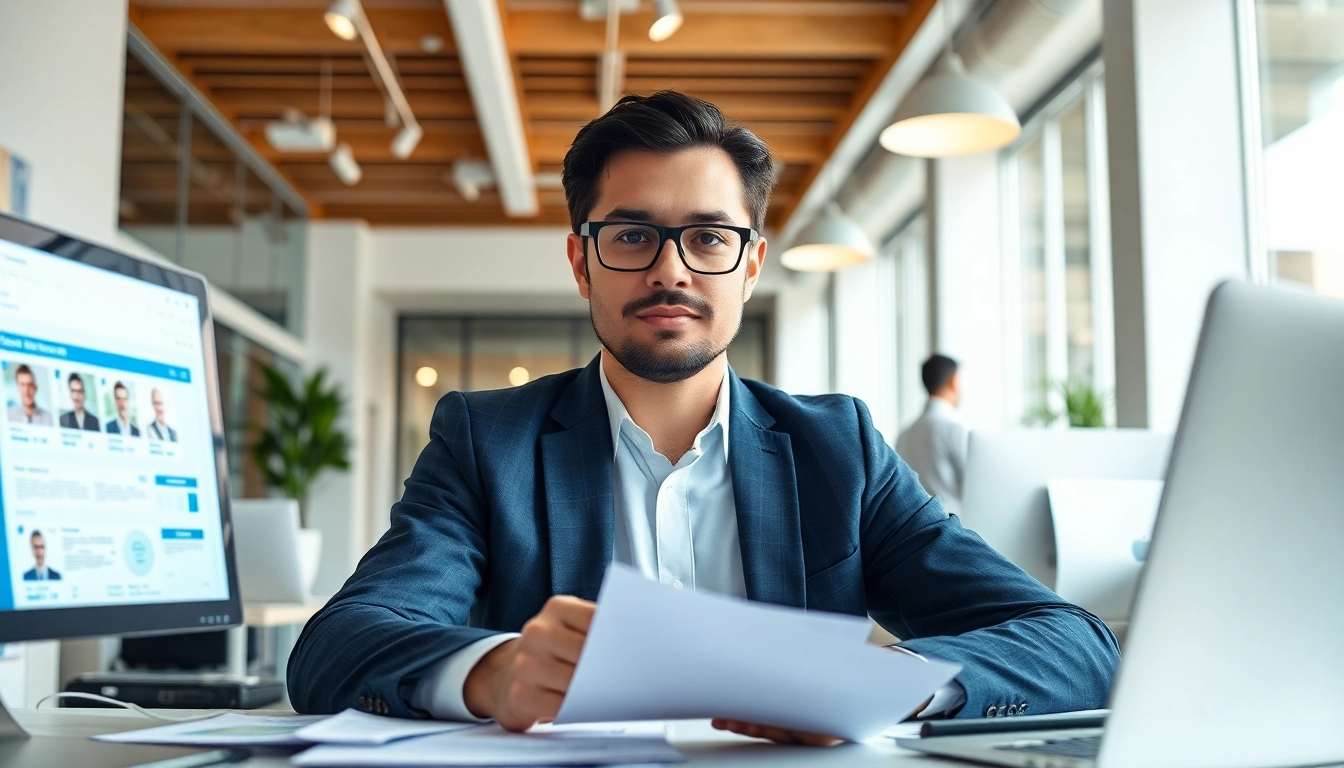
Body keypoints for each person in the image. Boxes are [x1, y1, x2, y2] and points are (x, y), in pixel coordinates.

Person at [288, 92, 1118, 741]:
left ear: (751, 266)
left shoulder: (839, 449)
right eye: (632, 236)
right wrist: (491, 671)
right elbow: (336, 644)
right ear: (581, 261)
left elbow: (1073, 644)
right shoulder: (487, 441)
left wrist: (886, 687)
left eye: (710, 239)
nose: (671, 271)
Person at [895, 354, 969, 516]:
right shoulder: (954, 429)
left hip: (916, 523)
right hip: (955, 522)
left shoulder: (904, 435)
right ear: (954, 381)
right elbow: (972, 486)